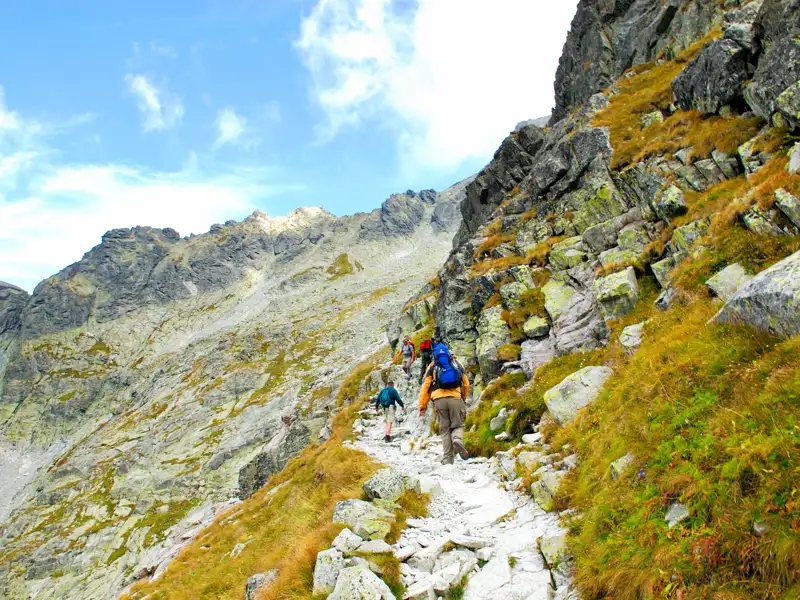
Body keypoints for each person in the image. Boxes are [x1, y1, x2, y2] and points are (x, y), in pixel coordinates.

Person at [418, 340, 470, 464]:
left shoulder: (432, 366)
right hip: (455, 398)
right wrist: (463, 398)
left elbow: (425, 387)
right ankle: (457, 439)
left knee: (444, 429)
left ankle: (448, 459)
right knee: (458, 425)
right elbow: (466, 384)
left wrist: (422, 406)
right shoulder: (456, 363)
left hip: (439, 400)